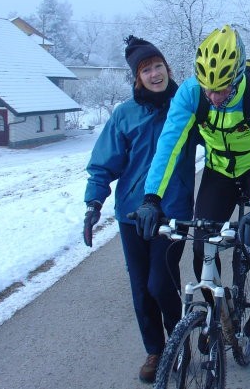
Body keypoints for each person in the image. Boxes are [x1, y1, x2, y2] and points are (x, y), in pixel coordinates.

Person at [134, 24, 250, 341]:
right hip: (219, 170)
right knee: (202, 241)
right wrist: (151, 197)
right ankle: (216, 319)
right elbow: (169, 145)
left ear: (238, 76)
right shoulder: (192, 93)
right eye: (208, 89)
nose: (213, 97)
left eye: (221, 90)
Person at [82, 35, 198, 383]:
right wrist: (93, 203)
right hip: (131, 214)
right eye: (146, 69)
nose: (154, 74)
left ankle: (179, 341)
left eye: (158, 66)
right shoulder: (125, 115)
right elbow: (104, 164)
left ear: (167, 68)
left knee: (160, 282)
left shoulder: (188, 105)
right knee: (140, 287)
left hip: (173, 210)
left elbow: (221, 140)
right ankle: (156, 350)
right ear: (137, 76)